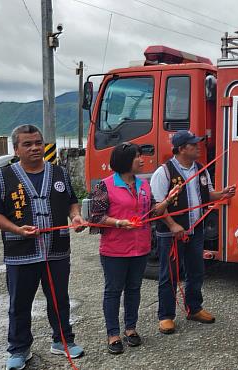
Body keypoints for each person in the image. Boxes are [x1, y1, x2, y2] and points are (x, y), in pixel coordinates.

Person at [0, 124, 85, 370]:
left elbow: (72, 201)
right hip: (21, 253)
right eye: (27, 144)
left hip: (57, 251)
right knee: (20, 303)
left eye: (38, 142)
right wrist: (17, 229)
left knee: (59, 299)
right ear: (16, 149)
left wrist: (76, 217)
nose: (35, 148)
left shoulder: (59, 173)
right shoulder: (4, 177)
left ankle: (62, 340)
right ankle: (19, 349)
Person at [88, 143, 180, 354]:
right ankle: (113, 334)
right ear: (125, 161)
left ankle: (131, 329)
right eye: (137, 157)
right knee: (113, 291)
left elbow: (153, 213)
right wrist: (120, 223)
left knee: (134, 289)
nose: (141, 160)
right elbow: (95, 218)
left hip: (140, 249)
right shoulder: (105, 185)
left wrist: (168, 199)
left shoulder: (144, 185)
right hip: (114, 250)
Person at [150, 130, 236, 334]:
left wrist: (222, 194)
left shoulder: (200, 170)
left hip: (195, 230)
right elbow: (156, 207)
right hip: (171, 233)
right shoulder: (164, 172)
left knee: (196, 271)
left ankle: (194, 308)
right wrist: (172, 225)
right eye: (193, 144)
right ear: (181, 149)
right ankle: (166, 316)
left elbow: (206, 196)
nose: (198, 147)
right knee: (169, 274)